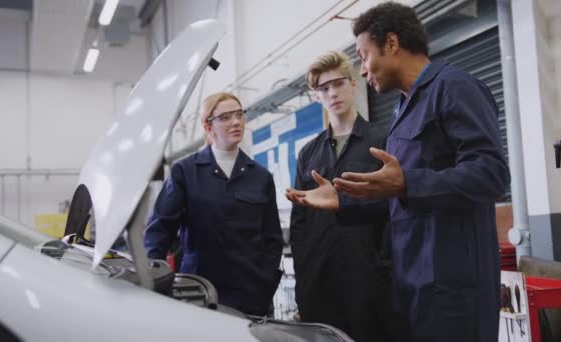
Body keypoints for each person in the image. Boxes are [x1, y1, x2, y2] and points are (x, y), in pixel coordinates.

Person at [286, 2, 510, 341]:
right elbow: (399, 196)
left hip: (453, 288)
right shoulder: (405, 108)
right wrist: (345, 201)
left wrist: (408, 181)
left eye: (363, 56)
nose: (362, 71)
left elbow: (492, 173)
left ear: (391, 44)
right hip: (413, 286)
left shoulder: (454, 87)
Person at [144, 92, 283, 316]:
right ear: (208, 126)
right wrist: (154, 278)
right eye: (226, 117)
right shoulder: (185, 172)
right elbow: (159, 229)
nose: (236, 121)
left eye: (239, 115)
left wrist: (264, 284)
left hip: (251, 297)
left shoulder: (260, 177)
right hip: (199, 293)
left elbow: (272, 239)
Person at [288, 51, 394, 342]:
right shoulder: (308, 154)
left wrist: (384, 268)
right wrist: (304, 276)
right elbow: (300, 222)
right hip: (320, 285)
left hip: (370, 283)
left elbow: (394, 208)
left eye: (338, 84)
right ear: (316, 97)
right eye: (324, 88)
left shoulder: (381, 141)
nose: (332, 92)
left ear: (353, 84)